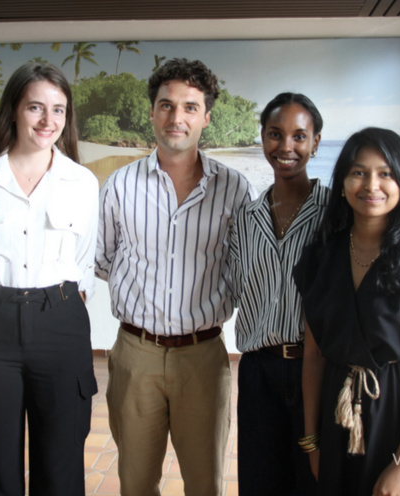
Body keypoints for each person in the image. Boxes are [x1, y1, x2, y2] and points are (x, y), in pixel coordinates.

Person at [96, 58, 254, 496]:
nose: (176, 117)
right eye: (166, 105)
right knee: (136, 482)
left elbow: (242, 265)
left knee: (205, 484)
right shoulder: (120, 186)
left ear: (206, 117)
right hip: (135, 354)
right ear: (152, 112)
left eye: (189, 107)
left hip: (202, 357)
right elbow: (104, 259)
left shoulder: (236, 189)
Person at [0, 62, 99, 496]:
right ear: (14, 110)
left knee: (61, 459)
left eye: (58, 110)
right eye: (35, 107)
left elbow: (83, 261)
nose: (47, 121)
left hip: (60, 320)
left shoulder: (82, 182)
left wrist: (53, 309)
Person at [295, 128, 400, 496]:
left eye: (386, 173)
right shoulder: (319, 257)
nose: (371, 184)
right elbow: (314, 356)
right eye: (358, 172)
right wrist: (312, 441)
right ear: (342, 184)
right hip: (338, 417)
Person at [226, 92, 327, 495]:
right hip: (258, 373)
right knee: (259, 483)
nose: (286, 146)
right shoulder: (246, 220)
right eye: (275, 134)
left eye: (299, 136)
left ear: (316, 142)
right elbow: (234, 287)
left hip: (317, 369)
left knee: (314, 480)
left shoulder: (335, 211)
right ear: (262, 139)